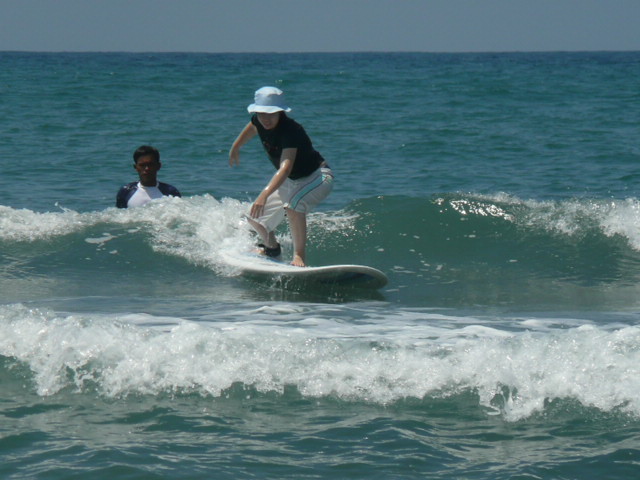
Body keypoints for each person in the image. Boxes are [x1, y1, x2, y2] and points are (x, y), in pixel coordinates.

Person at [229, 86, 334, 267]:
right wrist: (236, 146)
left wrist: (264, 194)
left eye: (271, 114)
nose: (265, 119)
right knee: (254, 218)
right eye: (261, 113)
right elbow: (252, 127)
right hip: (292, 180)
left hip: (317, 177)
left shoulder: (290, 130)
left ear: (280, 112)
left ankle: (299, 257)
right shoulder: (258, 121)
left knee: (293, 206)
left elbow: (285, 168)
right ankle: (272, 249)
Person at [116, 145, 181, 208]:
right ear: (136, 167)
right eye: (142, 165)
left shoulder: (170, 192)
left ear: (158, 166)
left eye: (150, 164)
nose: (147, 168)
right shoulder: (126, 192)